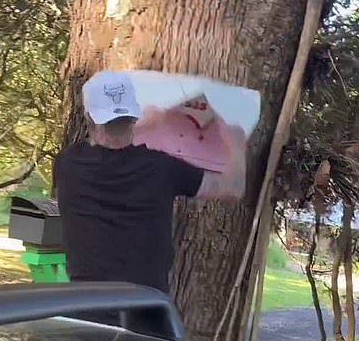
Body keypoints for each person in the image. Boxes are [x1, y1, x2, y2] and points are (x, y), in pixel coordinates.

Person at [53, 70, 247, 295]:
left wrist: (151, 122)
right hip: (145, 311)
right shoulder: (161, 169)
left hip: (86, 306)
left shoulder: (67, 164)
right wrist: (236, 145)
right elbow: (233, 188)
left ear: (88, 118)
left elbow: (106, 140)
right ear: (134, 117)